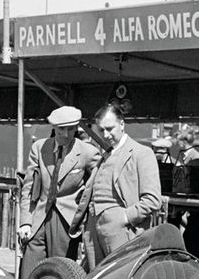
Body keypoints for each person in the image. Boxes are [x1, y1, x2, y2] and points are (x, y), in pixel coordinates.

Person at [69, 103, 162, 269]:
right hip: (93, 230)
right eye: (102, 129)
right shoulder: (105, 155)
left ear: (122, 124)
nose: (106, 134)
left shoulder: (141, 153)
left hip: (120, 231)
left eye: (110, 128)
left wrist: (124, 217)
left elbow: (153, 200)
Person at [17, 106, 99, 279]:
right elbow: (28, 187)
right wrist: (25, 221)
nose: (67, 133)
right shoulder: (39, 148)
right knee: (29, 273)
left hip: (66, 223)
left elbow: (98, 185)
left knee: (59, 274)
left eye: (71, 128)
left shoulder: (88, 152)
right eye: (62, 128)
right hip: (38, 217)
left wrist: (84, 218)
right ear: (54, 127)